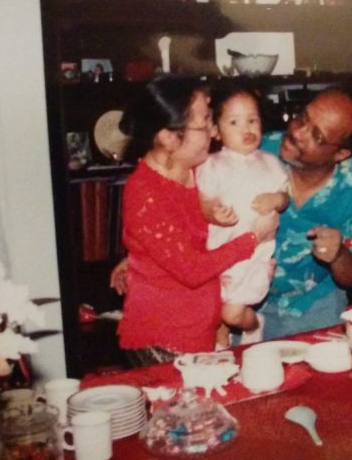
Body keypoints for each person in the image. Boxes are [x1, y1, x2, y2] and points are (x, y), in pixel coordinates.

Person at [113, 76, 279, 366]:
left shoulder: (200, 168)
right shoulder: (145, 193)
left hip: (205, 330)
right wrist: (253, 239)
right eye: (204, 124)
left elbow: (187, 237)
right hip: (167, 341)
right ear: (168, 136)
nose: (214, 132)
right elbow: (191, 269)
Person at [258, 88, 352, 339]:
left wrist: (338, 255)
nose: (296, 132)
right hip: (243, 308)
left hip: (314, 309)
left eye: (316, 135)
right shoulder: (257, 151)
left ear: (341, 154)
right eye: (302, 118)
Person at [195, 80, 288, 346]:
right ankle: (223, 354)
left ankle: (254, 326)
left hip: (254, 257)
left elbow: (285, 198)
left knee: (232, 313)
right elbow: (203, 201)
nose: (246, 128)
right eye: (234, 122)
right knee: (214, 319)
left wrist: (276, 199)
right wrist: (213, 213)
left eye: (252, 120)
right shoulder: (211, 165)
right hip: (217, 257)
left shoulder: (270, 163)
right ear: (216, 130)